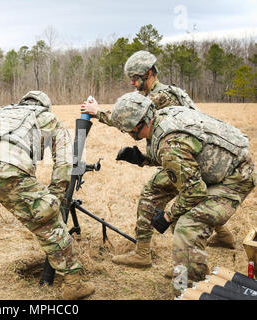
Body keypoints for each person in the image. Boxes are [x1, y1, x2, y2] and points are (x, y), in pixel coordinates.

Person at [80, 51, 235, 269]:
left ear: (150, 73)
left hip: (184, 157)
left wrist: (97, 112)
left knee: (151, 195)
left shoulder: (161, 97)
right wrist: (144, 159)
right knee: (195, 193)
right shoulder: (171, 92)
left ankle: (142, 253)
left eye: (135, 78)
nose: (132, 82)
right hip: (196, 156)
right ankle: (224, 236)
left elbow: (128, 118)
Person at [108, 92, 255, 294]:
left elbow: (194, 192)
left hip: (235, 178)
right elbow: (185, 154)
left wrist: (167, 216)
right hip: (218, 170)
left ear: (134, 127)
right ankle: (194, 275)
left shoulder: (170, 143)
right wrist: (143, 158)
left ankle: (187, 291)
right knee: (181, 220)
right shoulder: (164, 116)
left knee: (187, 227)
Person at [0, 91, 95, 300]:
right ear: (44, 106)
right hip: (9, 167)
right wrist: (55, 197)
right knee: (47, 222)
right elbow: (65, 162)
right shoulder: (47, 117)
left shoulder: (1, 113)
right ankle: (73, 283)